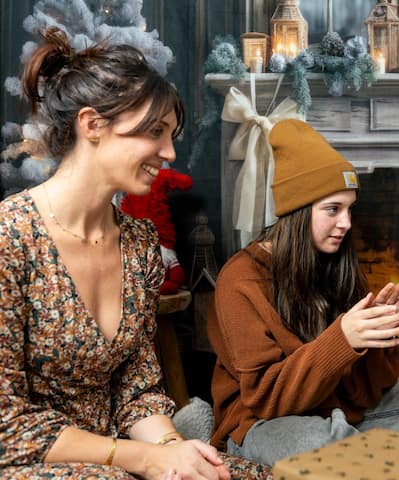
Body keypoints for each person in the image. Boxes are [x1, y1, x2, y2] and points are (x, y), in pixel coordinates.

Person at [0, 28, 269, 480]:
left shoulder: (140, 243)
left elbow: (136, 387)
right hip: (30, 461)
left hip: (122, 456)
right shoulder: (10, 239)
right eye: (155, 132)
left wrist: (174, 452)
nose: (170, 152)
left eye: (171, 135)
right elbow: (6, 427)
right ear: (92, 125)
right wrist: (145, 460)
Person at [207, 118, 399, 466]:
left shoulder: (336, 264)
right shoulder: (240, 280)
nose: (346, 223)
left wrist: (380, 339)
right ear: (297, 212)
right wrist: (342, 339)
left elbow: (368, 392)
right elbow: (267, 400)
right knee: (321, 443)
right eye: (332, 209)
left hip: (343, 412)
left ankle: (388, 458)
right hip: (265, 423)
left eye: (349, 209)